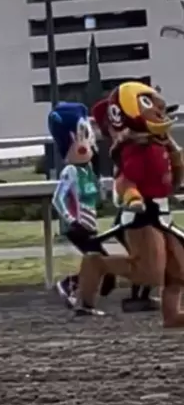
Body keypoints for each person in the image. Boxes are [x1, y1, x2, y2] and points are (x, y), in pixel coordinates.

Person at [78, 81, 184, 326]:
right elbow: (125, 179)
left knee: (179, 268)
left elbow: (173, 179)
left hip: (162, 213)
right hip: (141, 216)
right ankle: (97, 264)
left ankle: (172, 314)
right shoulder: (134, 148)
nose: (160, 111)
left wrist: (173, 150)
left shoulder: (159, 144)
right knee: (149, 271)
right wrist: (133, 196)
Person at [48, 101, 115, 314]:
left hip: (89, 226)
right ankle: (77, 293)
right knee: (101, 262)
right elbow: (57, 199)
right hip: (78, 228)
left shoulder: (88, 171)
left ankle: (74, 288)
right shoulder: (70, 171)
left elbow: (96, 197)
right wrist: (71, 220)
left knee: (99, 262)